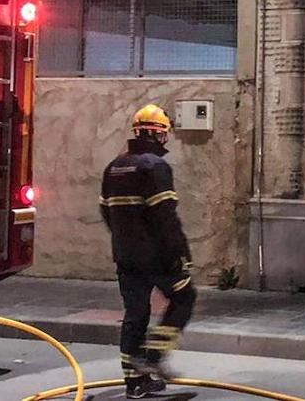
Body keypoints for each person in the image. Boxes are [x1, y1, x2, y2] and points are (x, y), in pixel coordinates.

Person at [99, 103, 196, 399]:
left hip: (126, 256)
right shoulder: (156, 166)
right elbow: (165, 217)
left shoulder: (114, 166)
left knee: (135, 314)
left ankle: (135, 383)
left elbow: (105, 212)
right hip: (158, 256)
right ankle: (153, 358)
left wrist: (125, 240)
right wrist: (182, 255)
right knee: (184, 297)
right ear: (160, 135)